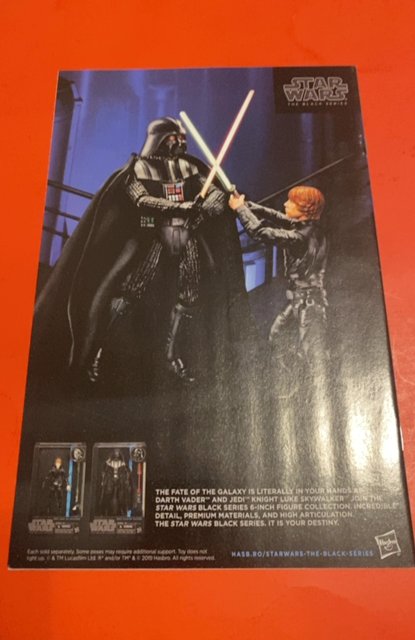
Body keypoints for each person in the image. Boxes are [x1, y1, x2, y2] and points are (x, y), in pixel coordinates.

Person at [33, 117, 249, 387]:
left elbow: (215, 194)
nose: (180, 143)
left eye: (182, 138)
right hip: (152, 237)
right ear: (159, 139)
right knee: (128, 293)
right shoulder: (138, 168)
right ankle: (96, 351)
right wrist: (180, 208)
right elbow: (140, 199)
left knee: (190, 296)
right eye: (174, 138)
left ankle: (171, 356)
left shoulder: (190, 167)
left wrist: (207, 205)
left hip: (187, 237)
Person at [229, 186, 328, 376]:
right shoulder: (309, 227)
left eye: (291, 202)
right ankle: (297, 379)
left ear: (304, 208)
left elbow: (261, 233)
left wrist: (240, 209)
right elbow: (279, 217)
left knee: (314, 359)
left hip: (308, 305)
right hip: (300, 301)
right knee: (277, 337)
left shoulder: (301, 237)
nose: (285, 204)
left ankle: (305, 384)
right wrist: (248, 206)